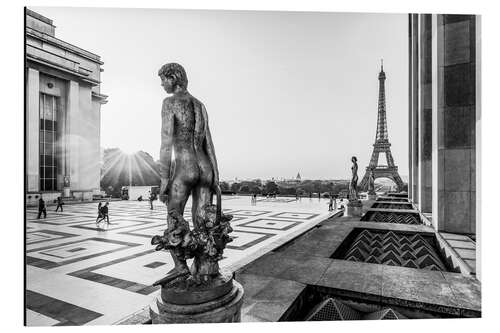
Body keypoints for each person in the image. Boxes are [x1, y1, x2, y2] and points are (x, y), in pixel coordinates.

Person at [157, 63, 221, 282]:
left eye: (163, 79)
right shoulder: (200, 105)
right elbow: (209, 144)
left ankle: (181, 266)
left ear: (174, 77)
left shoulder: (169, 103)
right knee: (204, 222)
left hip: (185, 167)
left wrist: (164, 177)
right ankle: (205, 267)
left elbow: (166, 143)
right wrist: (216, 176)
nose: (162, 84)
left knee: (174, 216)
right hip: (205, 167)